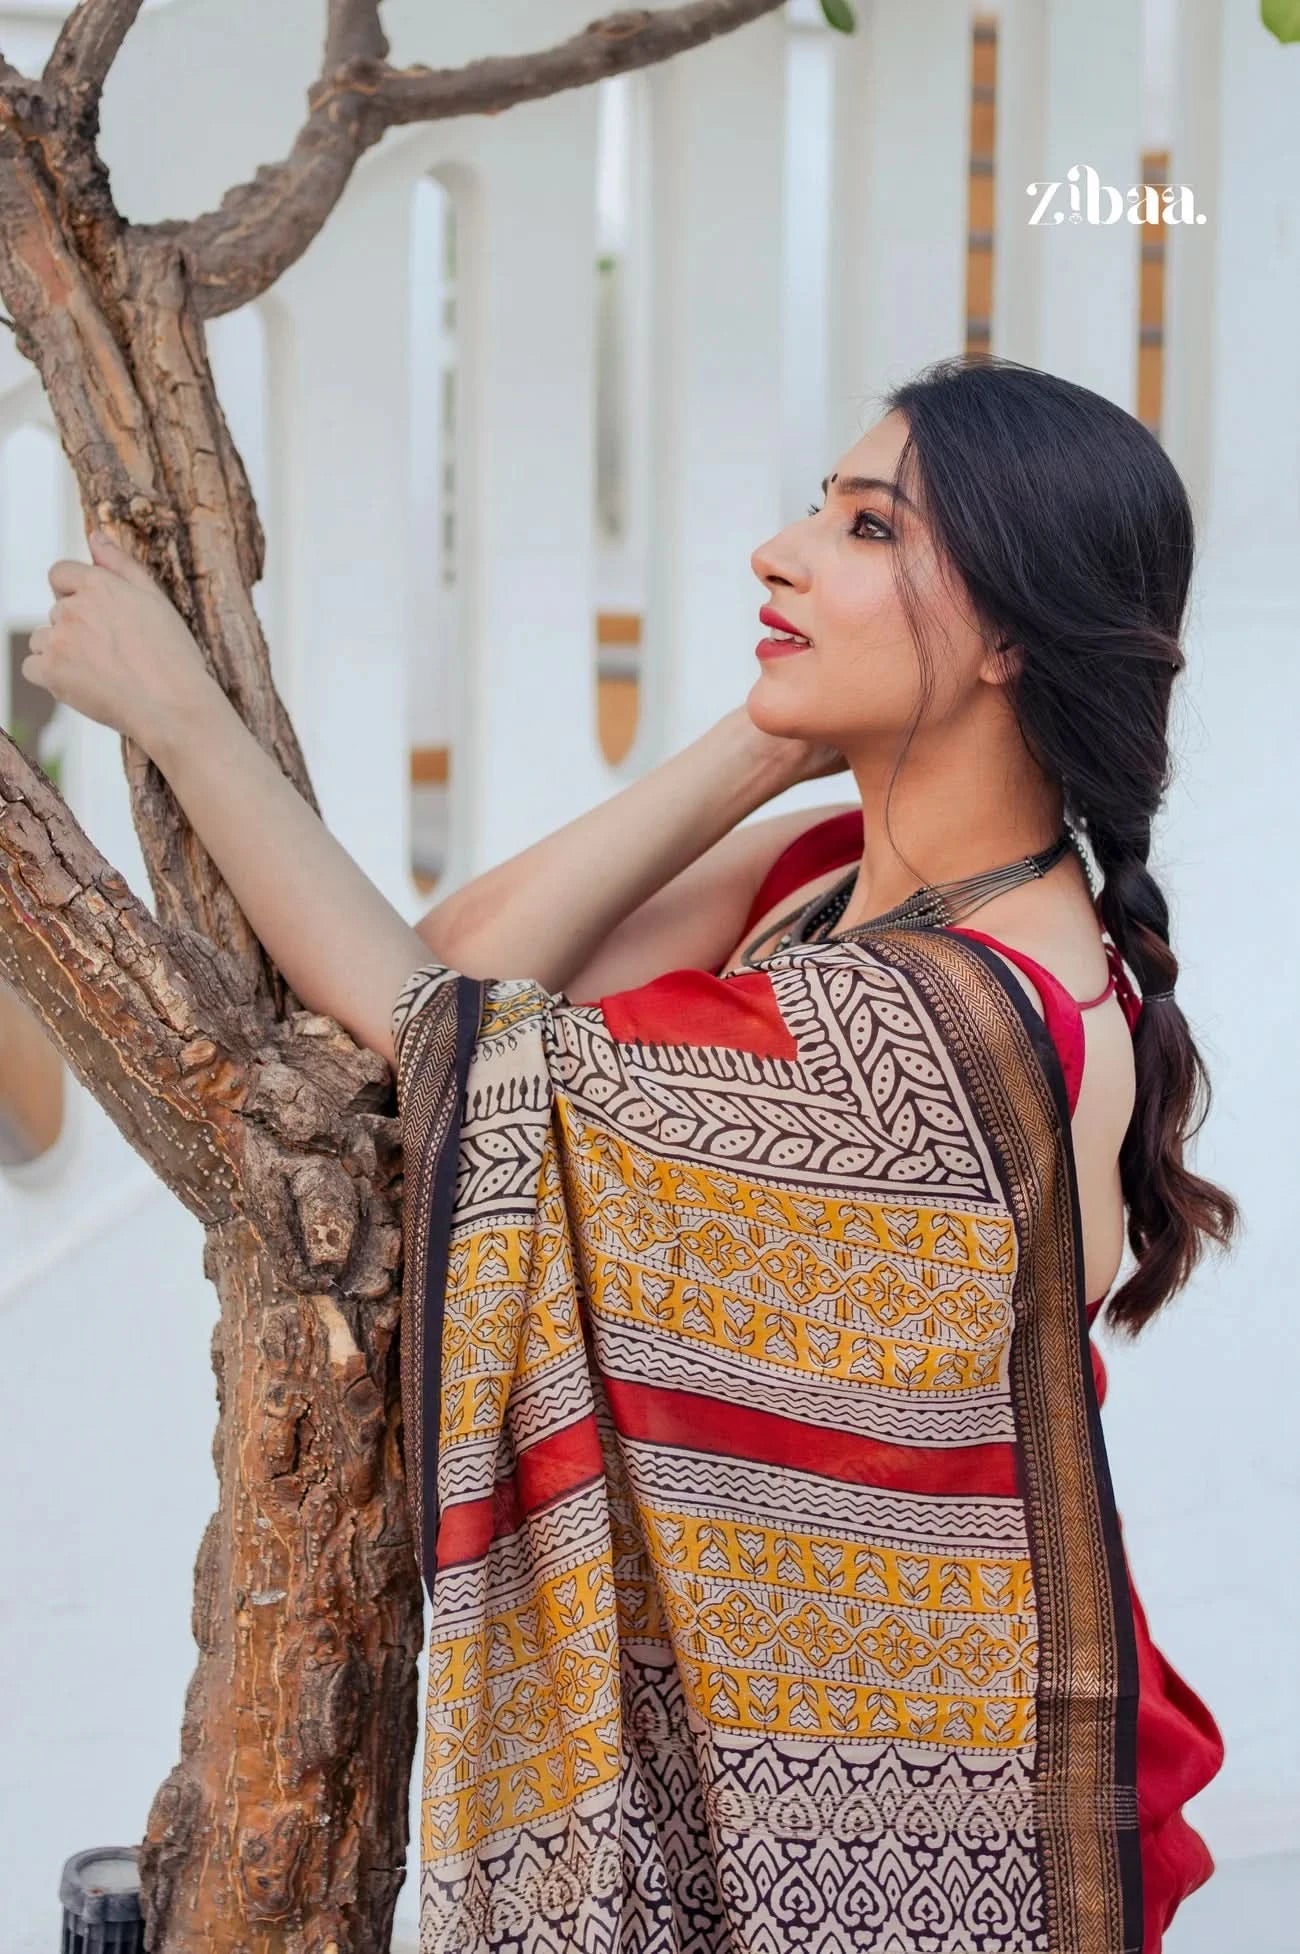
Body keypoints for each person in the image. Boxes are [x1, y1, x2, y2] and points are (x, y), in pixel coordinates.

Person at [28, 352, 1237, 1954]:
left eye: (869, 530)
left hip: (925, 1792)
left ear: (1012, 632)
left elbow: (435, 1028)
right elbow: (463, 960)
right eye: (822, 506)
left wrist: (180, 716)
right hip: (828, 1718)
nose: (783, 551)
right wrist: (763, 741)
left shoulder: (957, 1033)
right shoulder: (824, 871)